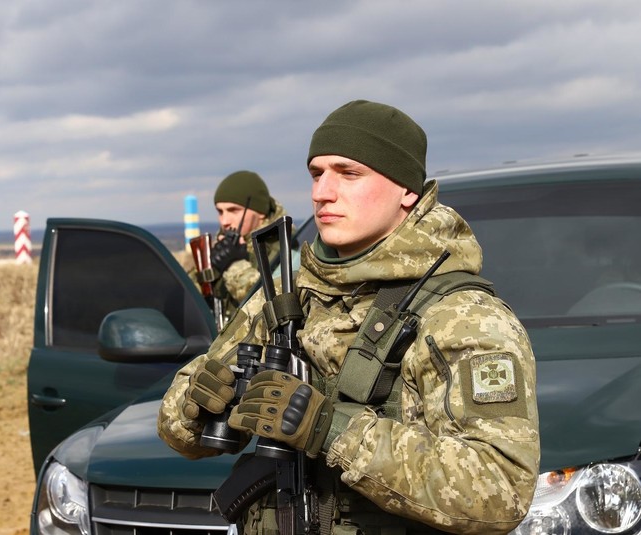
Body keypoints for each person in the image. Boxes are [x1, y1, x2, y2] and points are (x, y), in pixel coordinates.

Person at [159, 100, 540, 534]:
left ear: (406, 190)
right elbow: (177, 427)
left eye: (348, 173)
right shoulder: (289, 295)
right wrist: (197, 406)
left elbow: (500, 491)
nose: (322, 192)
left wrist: (330, 429)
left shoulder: (461, 316)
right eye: (316, 174)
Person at [193, 170, 290, 324]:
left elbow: (274, 312)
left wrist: (234, 265)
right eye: (220, 211)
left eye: (233, 210)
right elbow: (188, 296)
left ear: (260, 212)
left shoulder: (285, 251)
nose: (224, 221)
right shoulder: (223, 246)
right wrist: (208, 272)